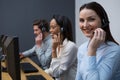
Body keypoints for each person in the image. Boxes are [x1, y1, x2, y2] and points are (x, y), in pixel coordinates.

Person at [75, 2, 120, 80]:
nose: (85, 25)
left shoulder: (114, 50)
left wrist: (92, 50)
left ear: (103, 21)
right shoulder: (82, 48)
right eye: (82, 20)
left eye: (91, 19)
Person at [45, 15, 78, 80]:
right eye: (50, 27)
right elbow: (53, 69)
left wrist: (53, 50)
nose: (50, 30)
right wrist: (41, 73)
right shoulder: (58, 45)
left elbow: (57, 73)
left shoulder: (71, 46)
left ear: (62, 29)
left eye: (53, 27)